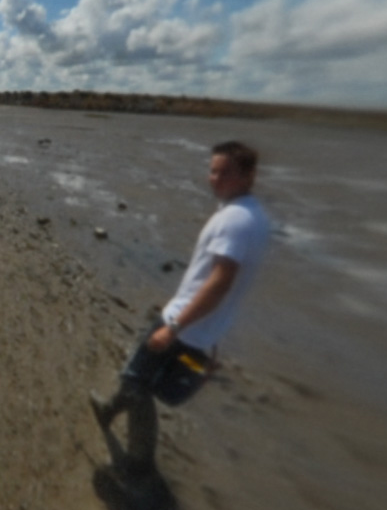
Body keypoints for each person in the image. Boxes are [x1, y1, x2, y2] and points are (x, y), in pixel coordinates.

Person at [91, 141, 271, 467]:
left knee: (135, 381)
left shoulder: (235, 220)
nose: (215, 179)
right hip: (204, 330)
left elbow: (220, 282)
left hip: (184, 326)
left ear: (249, 175)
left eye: (225, 173)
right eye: (213, 171)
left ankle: (139, 465)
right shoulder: (254, 216)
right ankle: (107, 411)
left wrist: (173, 327)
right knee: (143, 378)